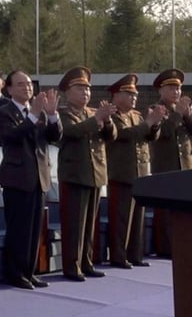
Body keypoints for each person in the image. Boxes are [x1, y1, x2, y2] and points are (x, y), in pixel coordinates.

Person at [0, 70, 61, 289]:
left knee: (34, 229)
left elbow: (54, 137)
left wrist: (51, 115)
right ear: (9, 89)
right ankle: (14, 273)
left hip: (39, 177)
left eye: (30, 84)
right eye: (21, 85)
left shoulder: (39, 112)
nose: (27, 88)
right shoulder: (4, 111)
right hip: (17, 178)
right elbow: (12, 136)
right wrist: (33, 114)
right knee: (18, 228)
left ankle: (29, 271)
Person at [57, 66, 116, 281]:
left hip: (95, 174)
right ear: (68, 91)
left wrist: (107, 121)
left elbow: (111, 136)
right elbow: (71, 132)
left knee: (90, 222)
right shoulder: (63, 112)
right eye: (80, 88)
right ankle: (72, 267)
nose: (85, 93)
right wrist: (97, 119)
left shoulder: (92, 112)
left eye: (88, 89)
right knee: (75, 224)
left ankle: (87, 262)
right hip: (75, 175)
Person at [106, 74, 164, 268]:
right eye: (129, 94)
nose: (134, 98)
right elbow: (124, 134)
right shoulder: (113, 115)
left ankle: (135, 254)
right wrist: (148, 123)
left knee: (137, 218)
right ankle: (118, 256)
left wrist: (155, 124)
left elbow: (150, 137)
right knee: (121, 218)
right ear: (117, 95)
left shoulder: (136, 116)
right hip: (121, 173)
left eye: (135, 94)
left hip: (139, 172)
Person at [148, 68, 192, 257]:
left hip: (185, 168)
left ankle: (184, 246)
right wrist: (178, 115)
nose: (176, 92)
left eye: (178, 88)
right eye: (171, 88)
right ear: (161, 91)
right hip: (166, 170)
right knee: (165, 215)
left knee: (185, 213)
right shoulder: (155, 109)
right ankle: (165, 249)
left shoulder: (184, 111)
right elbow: (163, 133)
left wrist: (188, 116)